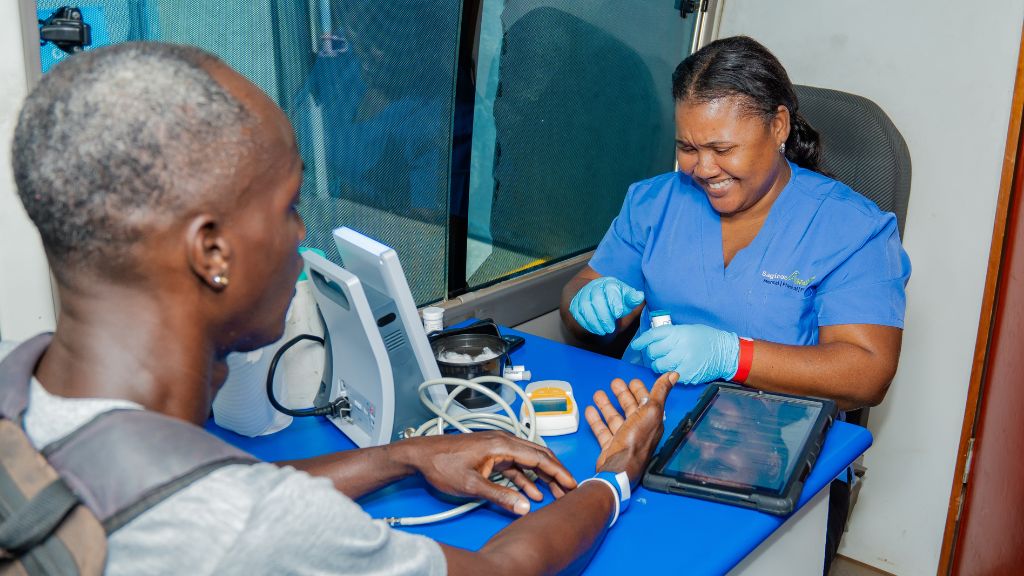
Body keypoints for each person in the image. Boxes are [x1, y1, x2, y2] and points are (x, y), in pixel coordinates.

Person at [8, 42, 677, 575]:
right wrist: (614, 478)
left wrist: (402, 459)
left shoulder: (25, 395)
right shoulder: (250, 532)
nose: (302, 234)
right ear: (212, 251)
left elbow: (184, 481)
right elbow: (495, 572)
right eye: (288, 206)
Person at [560, 35, 911, 571]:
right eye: (687, 147)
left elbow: (867, 374)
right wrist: (588, 300)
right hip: (635, 425)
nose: (702, 168)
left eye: (722, 149)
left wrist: (733, 355)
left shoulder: (850, 228)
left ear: (778, 126)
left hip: (765, 452)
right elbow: (582, 287)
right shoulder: (653, 202)